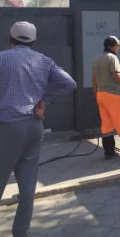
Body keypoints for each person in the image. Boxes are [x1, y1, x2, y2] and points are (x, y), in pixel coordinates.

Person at [0, 21, 76, 237]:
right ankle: (21, 232)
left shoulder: (2, 59)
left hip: (8, 127)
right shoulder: (44, 60)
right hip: (34, 126)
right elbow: (69, 83)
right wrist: (45, 101)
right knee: (27, 186)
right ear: (34, 41)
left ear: (10, 38)